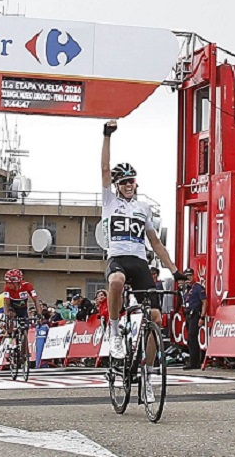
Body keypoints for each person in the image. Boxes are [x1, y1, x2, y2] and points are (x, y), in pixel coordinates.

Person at [101, 120, 178, 404]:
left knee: (155, 318)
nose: (128, 185)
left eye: (131, 181)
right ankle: (114, 332)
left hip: (140, 261)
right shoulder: (109, 203)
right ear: (116, 186)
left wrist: (175, 271)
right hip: (118, 259)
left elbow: (155, 243)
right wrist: (107, 136)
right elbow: (104, 168)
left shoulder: (143, 208)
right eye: (123, 182)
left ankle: (147, 374)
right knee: (116, 281)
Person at [177, 269, 206, 370]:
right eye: (186, 276)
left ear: (193, 276)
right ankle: (194, 361)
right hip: (188, 316)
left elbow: (204, 302)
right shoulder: (185, 289)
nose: (188, 278)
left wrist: (202, 317)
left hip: (195, 315)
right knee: (190, 340)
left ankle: (194, 363)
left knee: (192, 338)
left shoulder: (198, 287)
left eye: (190, 276)